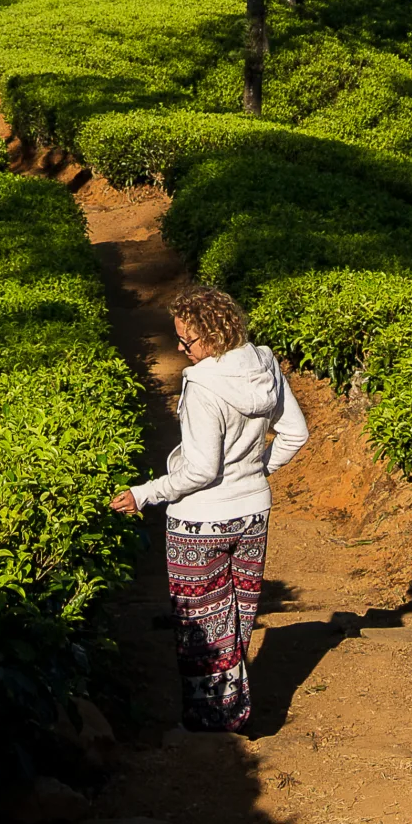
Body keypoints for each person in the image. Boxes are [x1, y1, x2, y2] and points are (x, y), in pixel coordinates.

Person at [110, 285, 308, 733]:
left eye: (187, 341)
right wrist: (257, 470)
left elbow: (199, 470)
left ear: (213, 335)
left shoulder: (202, 386)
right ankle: (236, 713)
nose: (181, 350)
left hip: (200, 521)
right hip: (253, 513)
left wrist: (146, 493)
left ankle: (213, 727)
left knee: (201, 628)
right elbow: (295, 433)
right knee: (237, 617)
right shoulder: (264, 365)